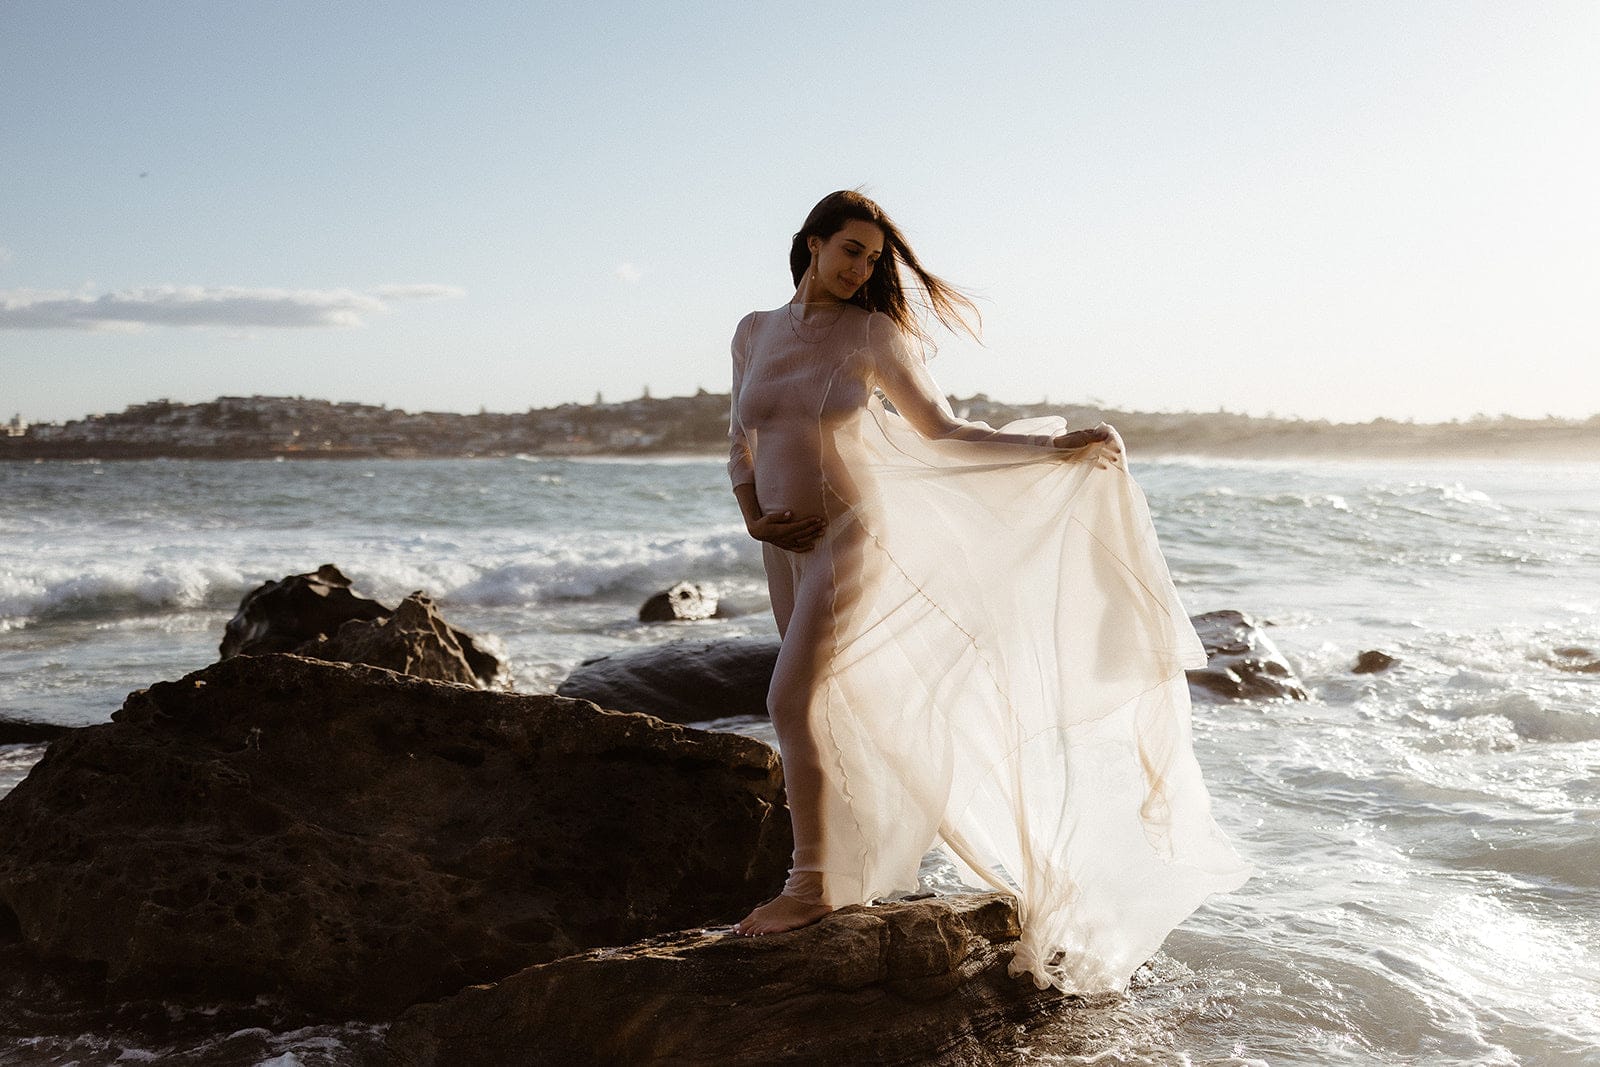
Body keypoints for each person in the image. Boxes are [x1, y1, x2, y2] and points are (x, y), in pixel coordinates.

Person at [725, 190, 1250, 993]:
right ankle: (848, 864)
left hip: (848, 534)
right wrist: (757, 520)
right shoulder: (753, 331)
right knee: (829, 708)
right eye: (852, 250)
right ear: (812, 242)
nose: (863, 267)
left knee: (790, 698)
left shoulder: (874, 334)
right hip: (783, 547)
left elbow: (943, 432)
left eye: (874, 258)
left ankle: (809, 886)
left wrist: (1051, 448)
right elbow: (742, 438)